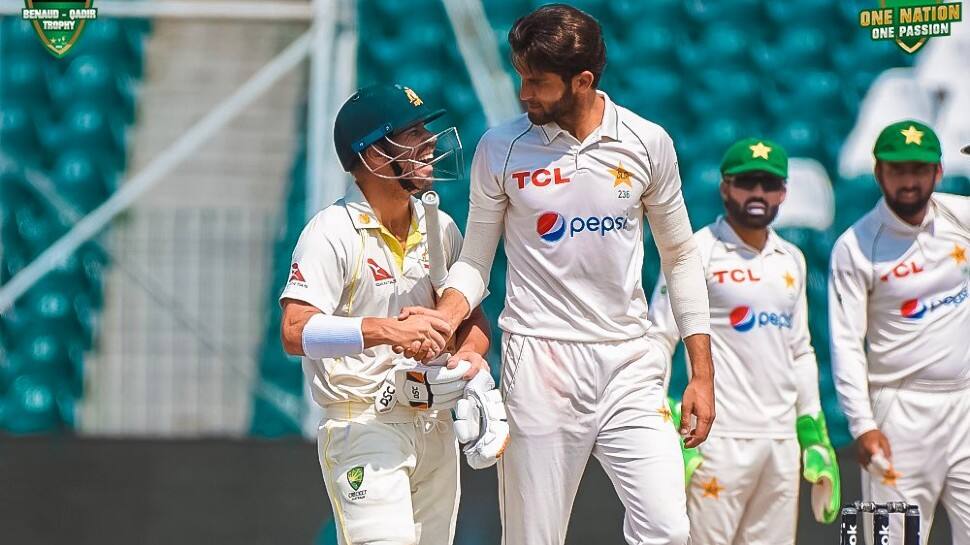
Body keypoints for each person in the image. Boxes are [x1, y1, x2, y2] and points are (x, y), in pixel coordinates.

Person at [400, 5, 715, 544]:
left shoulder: (647, 142)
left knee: (668, 528)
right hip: (540, 364)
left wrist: (702, 374)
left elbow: (681, 257)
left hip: (630, 364)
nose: (524, 93)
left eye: (537, 82)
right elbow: (475, 261)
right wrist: (444, 316)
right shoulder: (500, 148)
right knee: (533, 537)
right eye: (521, 76)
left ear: (583, 80)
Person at [279, 83, 494, 545]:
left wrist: (471, 359)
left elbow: (473, 321)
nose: (430, 143)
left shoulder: (440, 224)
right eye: (412, 134)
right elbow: (295, 331)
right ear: (373, 155)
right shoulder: (331, 231)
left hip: (433, 422)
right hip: (365, 425)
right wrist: (387, 331)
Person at [649, 138, 841, 545]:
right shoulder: (695, 252)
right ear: (725, 187)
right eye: (747, 182)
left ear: (784, 192)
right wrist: (663, 422)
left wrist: (813, 430)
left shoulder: (792, 259)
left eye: (769, 184)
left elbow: (800, 349)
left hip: (781, 442)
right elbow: (659, 338)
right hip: (717, 440)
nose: (758, 193)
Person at [829, 120, 970, 543]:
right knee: (893, 538)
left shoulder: (960, 216)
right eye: (898, 170)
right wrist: (863, 426)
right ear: (878, 173)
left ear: (938, 173)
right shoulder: (855, 246)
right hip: (899, 413)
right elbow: (846, 344)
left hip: (966, 402)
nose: (909, 181)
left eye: (919, 170)